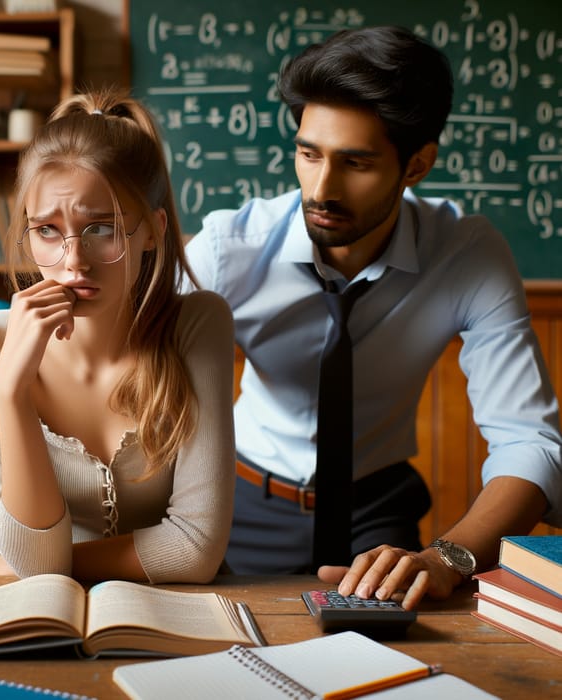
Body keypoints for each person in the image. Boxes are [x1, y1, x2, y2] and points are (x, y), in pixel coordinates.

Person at [183, 26, 562, 607]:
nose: (321, 188)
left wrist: (447, 558)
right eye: (308, 154)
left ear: (416, 165)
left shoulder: (466, 253)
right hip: (241, 504)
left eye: (354, 163)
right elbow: (129, 373)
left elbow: (528, 440)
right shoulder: (230, 248)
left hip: (380, 513)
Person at [0, 89, 236, 583]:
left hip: (186, 613)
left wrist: (42, 567)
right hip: (52, 615)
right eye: (46, 230)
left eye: (100, 228)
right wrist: (12, 390)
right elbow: (38, 564)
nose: (72, 260)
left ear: (153, 230)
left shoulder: (198, 325)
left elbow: (195, 550)